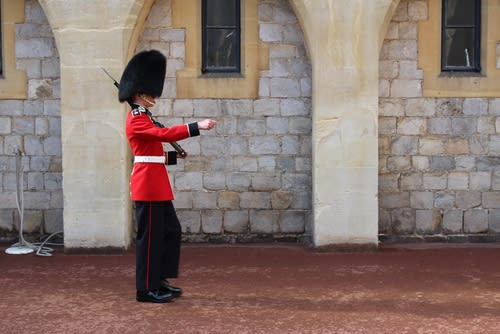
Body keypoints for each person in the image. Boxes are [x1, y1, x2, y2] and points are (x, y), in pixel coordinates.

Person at [118, 49, 216, 303]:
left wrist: (174, 158)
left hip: (156, 183)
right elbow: (163, 136)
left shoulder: (145, 117)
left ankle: (159, 279)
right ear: (139, 94)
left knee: (171, 230)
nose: (153, 97)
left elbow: (152, 153)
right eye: (150, 93)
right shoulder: (136, 119)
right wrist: (196, 126)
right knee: (149, 238)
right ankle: (145, 289)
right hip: (148, 185)